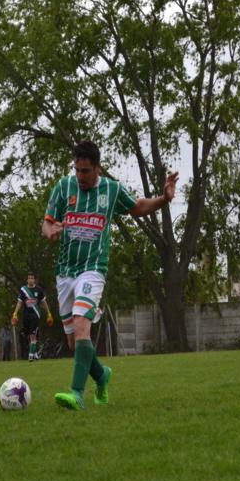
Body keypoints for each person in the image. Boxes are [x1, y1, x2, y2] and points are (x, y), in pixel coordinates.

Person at [43, 140, 178, 410]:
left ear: (98, 168)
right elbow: (46, 223)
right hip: (65, 272)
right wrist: (51, 232)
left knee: (82, 324)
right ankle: (102, 375)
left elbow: (138, 207)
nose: (80, 176)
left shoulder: (111, 189)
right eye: (77, 170)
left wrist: (164, 199)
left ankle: (77, 394)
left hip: (93, 270)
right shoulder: (64, 187)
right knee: (73, 342)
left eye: (85, 171)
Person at [11, 272, 54, 362]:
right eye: (29, 278)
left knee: (32, 335)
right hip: (26, 315)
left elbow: (44, 302)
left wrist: (48, 313)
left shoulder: (39, 290)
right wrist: (15, 313)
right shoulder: (23, 290)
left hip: (35, 315)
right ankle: (35, 355)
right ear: (27, 280)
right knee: (29, 335)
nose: (30, 279)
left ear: (34, 280)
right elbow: (20, 302)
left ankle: (30, 355)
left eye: (32, 278)